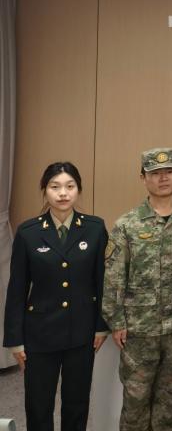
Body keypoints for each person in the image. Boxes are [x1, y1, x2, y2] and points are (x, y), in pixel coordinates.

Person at [4, 162, 108, 431]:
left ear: (78, 190)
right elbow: (17, 290)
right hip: (39, 333)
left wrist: (101, 325)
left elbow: (102, 282)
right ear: (44, 190)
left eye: (70, 186)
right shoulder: (28, 232)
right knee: (38, 404)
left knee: (77, 403)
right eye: (55, 186)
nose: (63, 193)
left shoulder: (95, 229)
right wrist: (15, 339)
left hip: (82, 331)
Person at [102, 147, 172, 431]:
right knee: (136, 401)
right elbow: (114, 277)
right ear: (143, 177)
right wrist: (116, 321)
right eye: (155, 173)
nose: (163, 178)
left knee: (170, 402)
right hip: (139, 330)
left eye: (169, 171)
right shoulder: (127, 224)